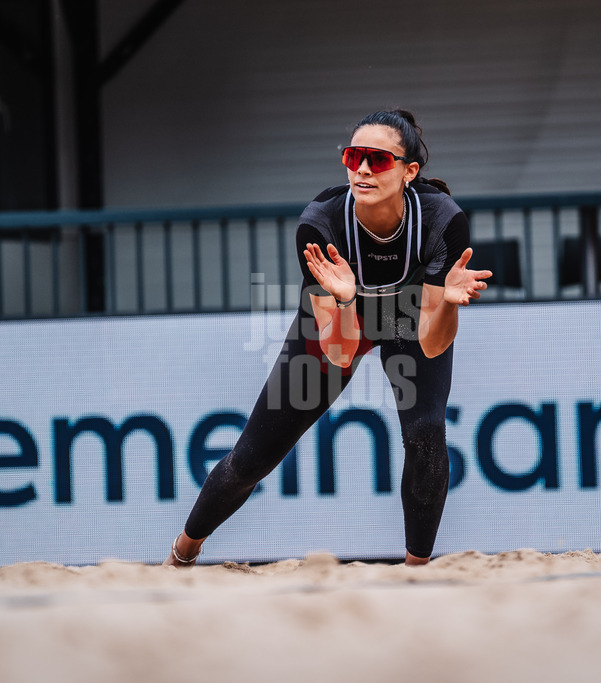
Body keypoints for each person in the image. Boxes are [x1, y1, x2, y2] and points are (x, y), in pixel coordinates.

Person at [167, 109, 491, 567]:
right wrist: (344, 300)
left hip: (407, 319)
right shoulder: (321, 223)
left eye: (378, 160)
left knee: (426, 432)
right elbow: (339, 354)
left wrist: (450, 305)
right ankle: (182, 554)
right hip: (343, 316)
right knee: (251, 457)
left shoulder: (441, 219)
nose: (363, 169)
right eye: (354, 157)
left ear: (409, 171)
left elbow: (433, 344)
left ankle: (416, 575)